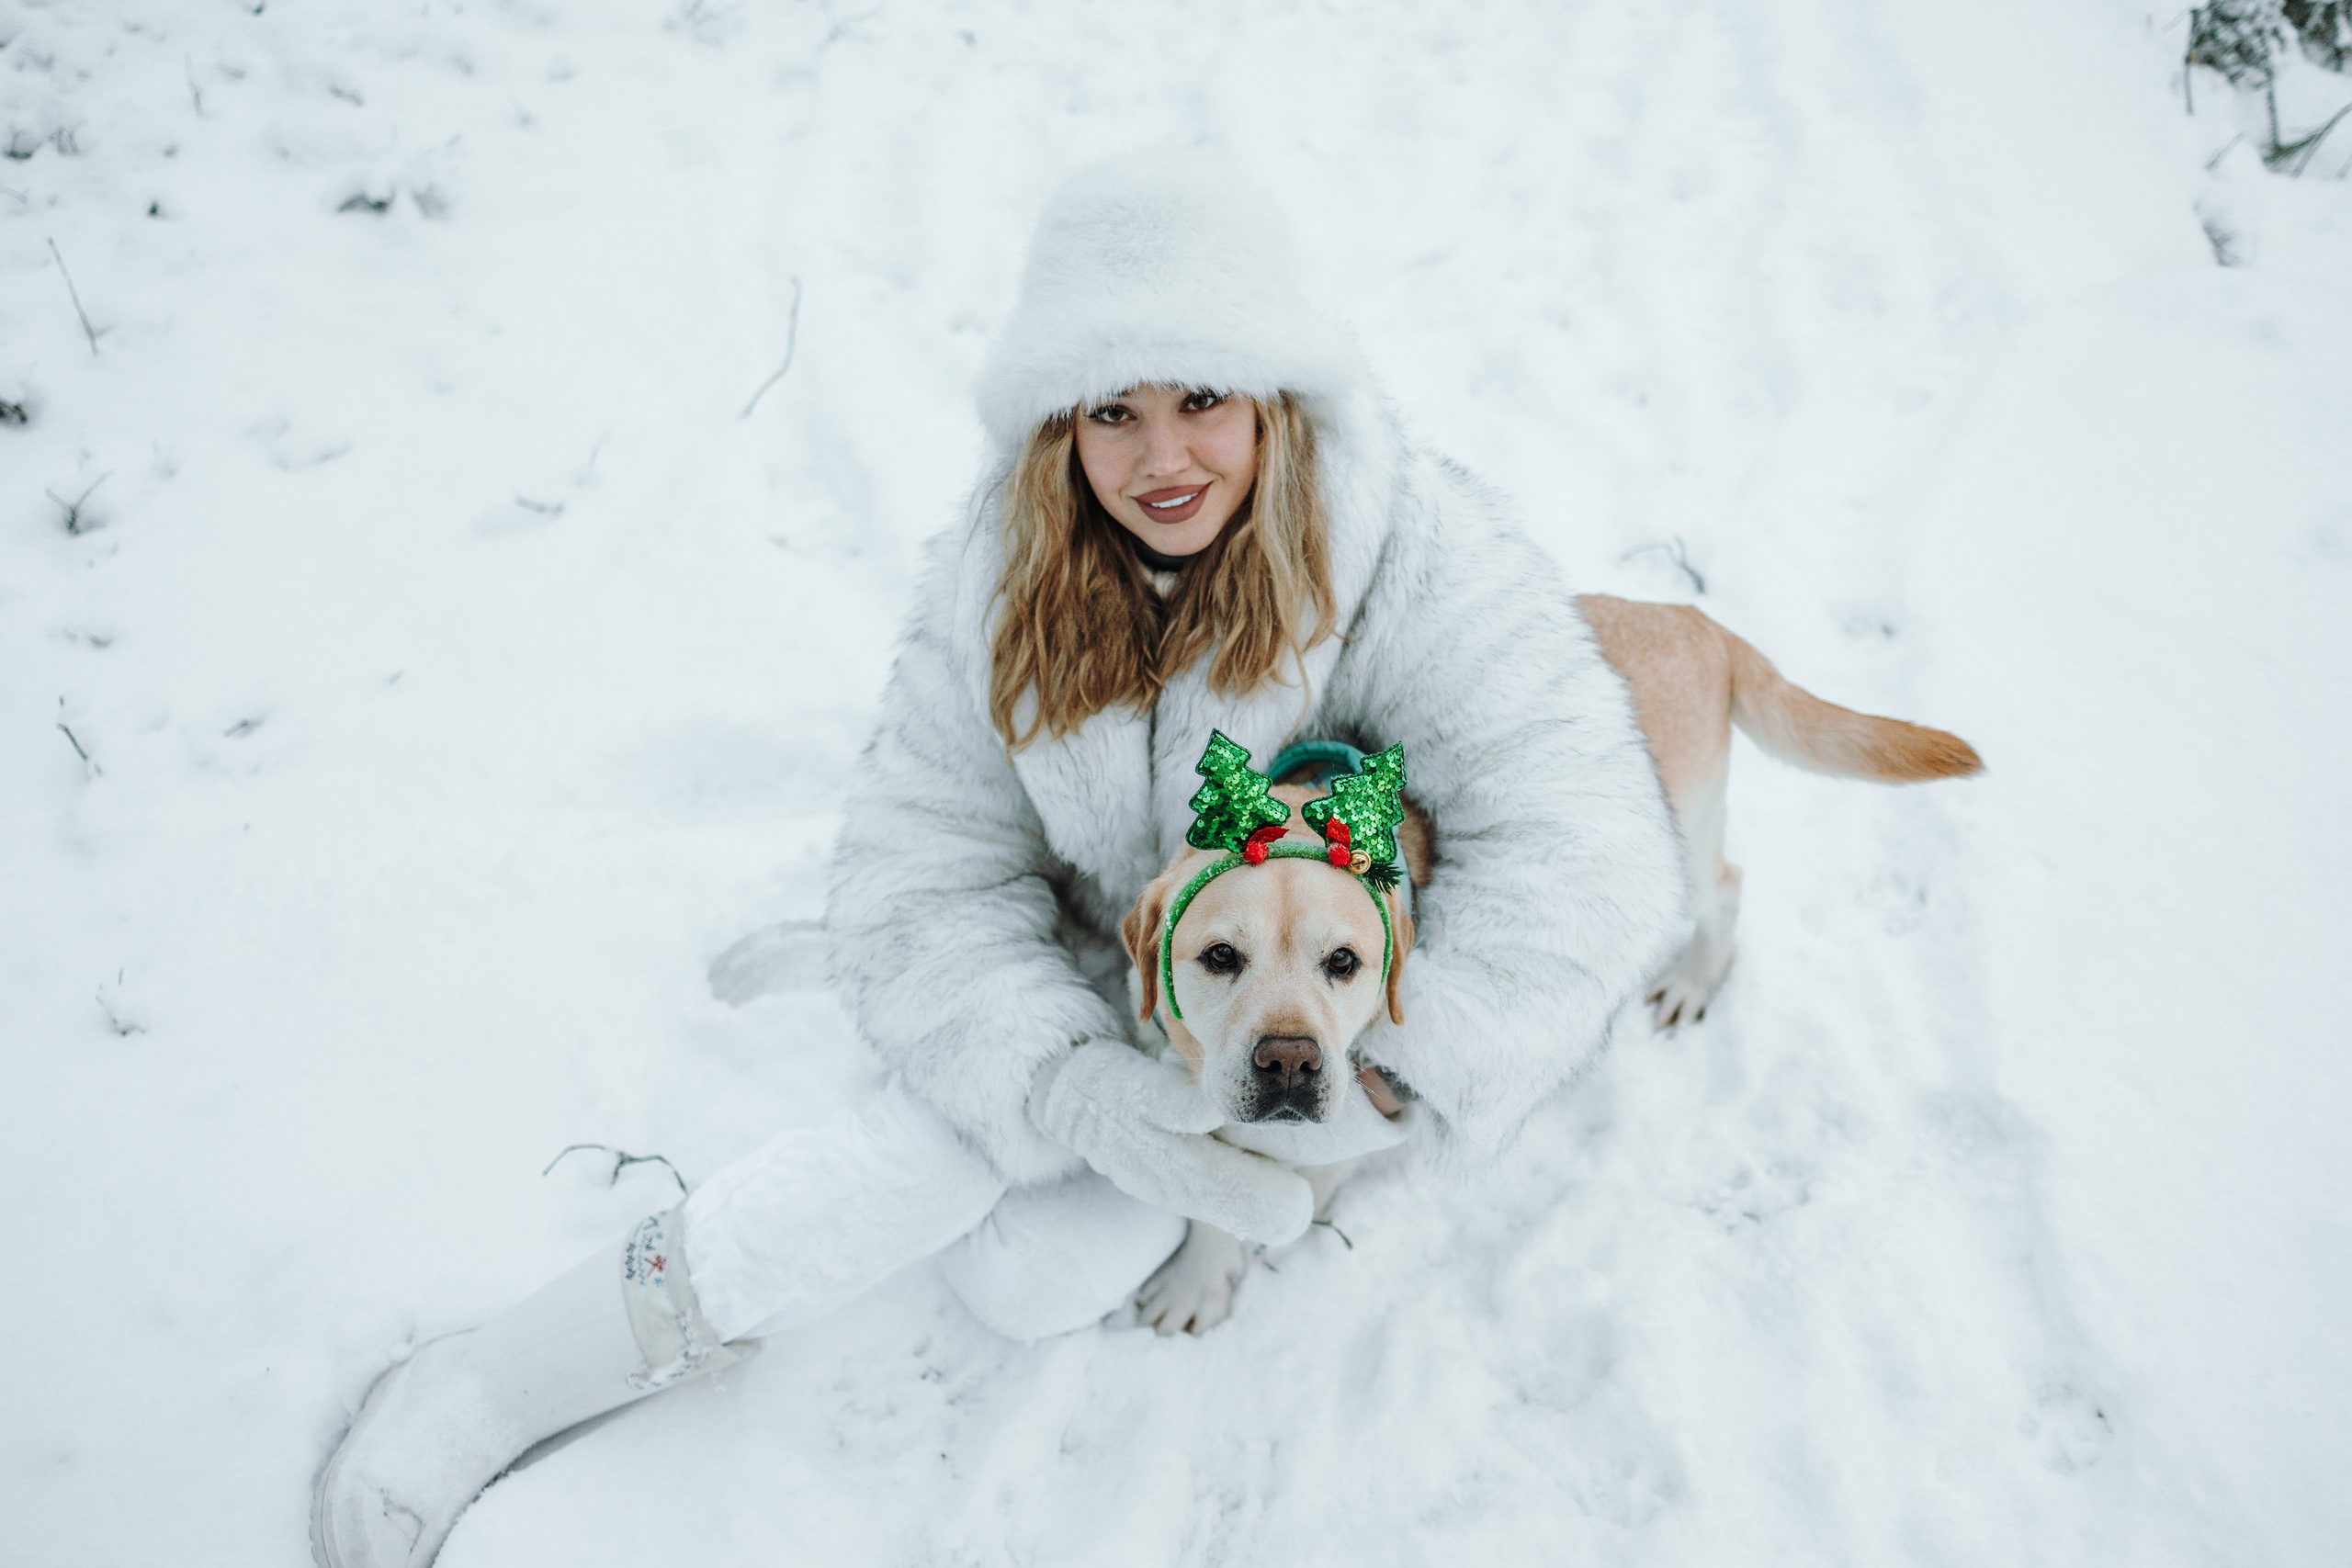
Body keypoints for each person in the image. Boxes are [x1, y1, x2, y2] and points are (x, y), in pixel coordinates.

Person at [310, 150, 1687, 1568]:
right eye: (1114, 411)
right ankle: (485, 1385)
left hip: (1304, 1002)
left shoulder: (1410, 550)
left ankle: (963, 1127)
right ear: (1059, 426)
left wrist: (1398, 1063)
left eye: (1204, 396)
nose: (1165, 460)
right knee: (934, 1155)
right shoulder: (1004, 574)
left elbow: (1584, 838)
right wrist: (1049, 1079)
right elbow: (927, 869)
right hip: (1097, 970)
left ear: (1276, 395)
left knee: (1037, 1280)